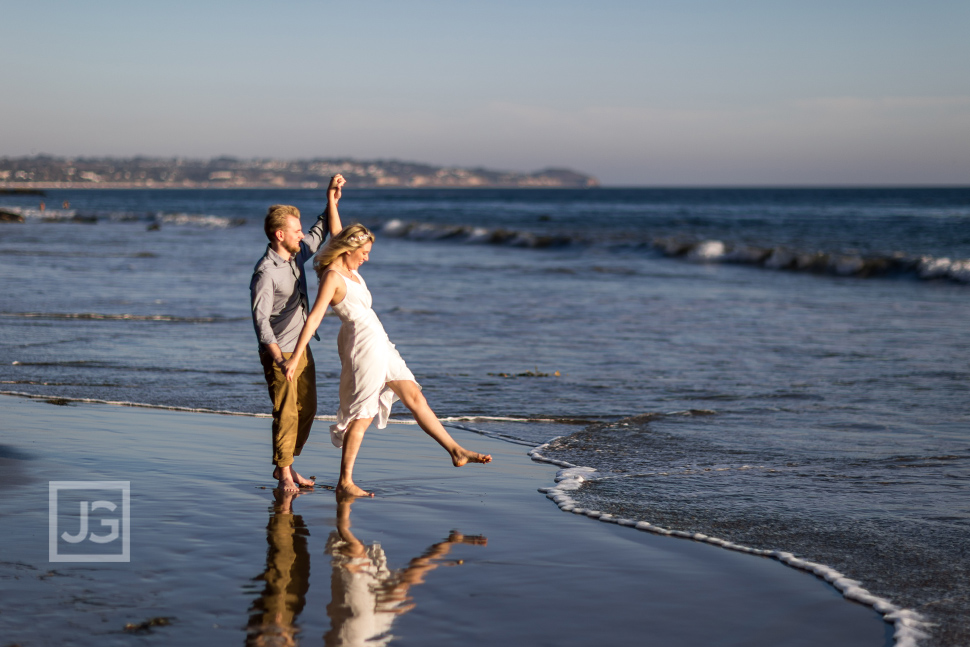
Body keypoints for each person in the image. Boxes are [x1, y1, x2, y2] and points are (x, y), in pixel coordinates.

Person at [283, 186, 491, 498]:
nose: (366, 258)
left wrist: (332, 200)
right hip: (361, 344)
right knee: (363, 413)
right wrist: (294, 357)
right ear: (349, 250)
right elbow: (314, 318)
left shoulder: (348, 267)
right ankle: (345, 481)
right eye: (364, 252)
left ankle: (455, 451)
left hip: (379, 338)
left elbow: (337, 233)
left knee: (413, 394)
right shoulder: (333, 277)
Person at [251, 174, 346, 492]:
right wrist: (278, 358)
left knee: (308, 408)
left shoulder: (295, 256)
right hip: (280, 352)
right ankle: (284, 471)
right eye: (296, 230)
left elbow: (320, 234)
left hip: (301, 348)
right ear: (280, 234)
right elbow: (260, 320)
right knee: (286, 410)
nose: (301, 234)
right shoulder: (266, 273)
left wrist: (330, 200)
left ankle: (288, 463)